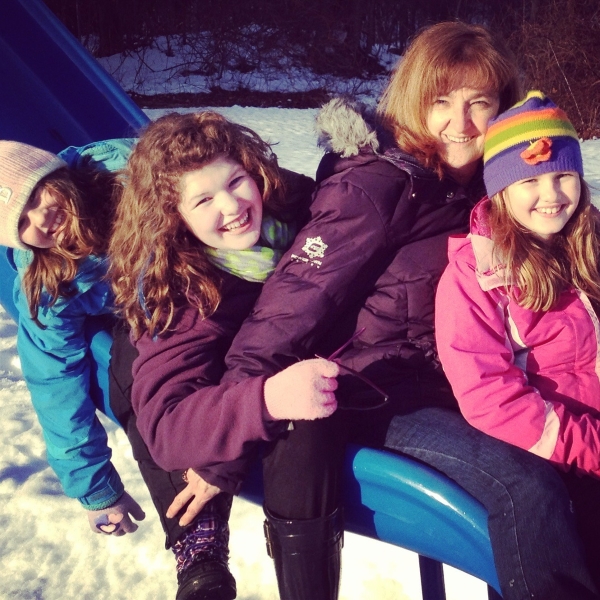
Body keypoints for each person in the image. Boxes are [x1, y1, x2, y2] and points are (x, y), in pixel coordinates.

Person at [215, 22, 600, 600]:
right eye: (440, 102)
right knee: (523, 484)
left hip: (456, 384)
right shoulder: (378, 186)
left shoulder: (496, 188)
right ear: (412, 102)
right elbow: (288, 308)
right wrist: (230, 430)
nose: (460, 123)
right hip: (376, 389)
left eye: (479, 103)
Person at [107, 110, 341, 600]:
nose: (232, 205)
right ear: (176, 217)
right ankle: (199, 544)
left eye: (236, 181)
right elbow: (167, 430)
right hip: (221, 380)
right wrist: (265, 401)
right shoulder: (183, 295)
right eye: (204, 199)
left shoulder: (294, 212)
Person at [435, 90, 600, 590]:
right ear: (500, 190)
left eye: (562, 175)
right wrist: (587, 448)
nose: (550, 195)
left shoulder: (589, 243)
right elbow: (489, 395)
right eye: (529, 179)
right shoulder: (475, 276)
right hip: (553, 450)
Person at [0, 139, 145, 535]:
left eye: (31, 197)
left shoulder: (127, 172)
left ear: (50, 172)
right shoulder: (51, 285)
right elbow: (54, 381)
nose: (38, 221)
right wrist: (96, 487)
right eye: (21, 226)